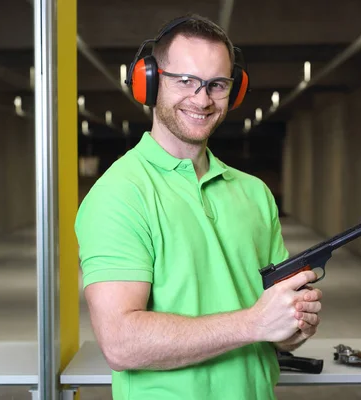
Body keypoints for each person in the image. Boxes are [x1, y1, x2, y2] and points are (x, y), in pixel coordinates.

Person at [74, 13, 323, 400]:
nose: (202, 99)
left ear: (233, 91)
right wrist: (254, 323)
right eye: (185, 81)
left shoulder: (254, 193)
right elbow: (120, 343)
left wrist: (293, 326)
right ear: (150, 82)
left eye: (216, 84)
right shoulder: (120, 194)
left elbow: (276, 330)